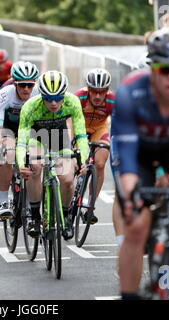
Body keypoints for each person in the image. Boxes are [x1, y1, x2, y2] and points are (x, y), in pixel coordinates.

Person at [111, 27, 169, 300]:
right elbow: (126, 155)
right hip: (140, 155)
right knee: (136, 222)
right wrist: (131, 195)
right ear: (152, 69)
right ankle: (129, 294)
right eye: (164, 69)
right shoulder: (129, 93)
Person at [16, 70, 89, 239]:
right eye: (48, 98)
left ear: (64, 95)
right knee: (34, 166)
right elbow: (21, 142)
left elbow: (81, 135)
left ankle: (66, 216)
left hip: (60, 137)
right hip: (37, 137)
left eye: (58, 97)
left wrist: (83, 160)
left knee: (68, 179)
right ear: (42, 96)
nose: (54, 103)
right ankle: (35, 217)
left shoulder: (72, 102)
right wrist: (21, 164)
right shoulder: (30, 107)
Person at [0, 61, 40, 221]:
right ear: (14, 83)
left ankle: (29, 202)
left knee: (36, 160)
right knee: (8, 155)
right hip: (9, 129)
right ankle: (4, 202)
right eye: (22, 85)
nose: (26, 89)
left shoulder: (40, 93)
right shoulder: (4, 95)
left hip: (31, 130)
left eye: (30, 85)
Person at [74, 68, 114, 225]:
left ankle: (91, 206)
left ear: (107, 90)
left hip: (99, 129)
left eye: (102, 91)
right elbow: (69, 121)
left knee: (100, 163)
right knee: (75, 161)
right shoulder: (79, 97)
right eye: (94, 91)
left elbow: (118, 125)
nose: (97, 96)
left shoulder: (112, 101)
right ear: (88, 89)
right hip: (80, 129)